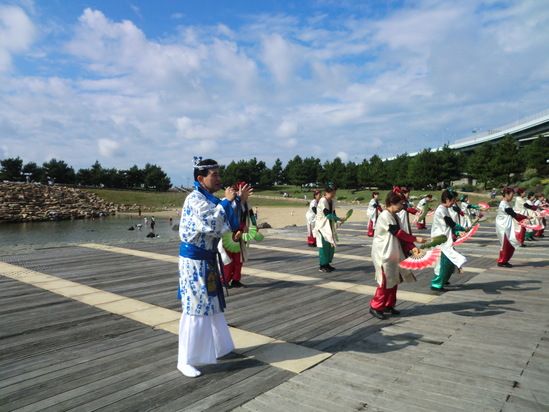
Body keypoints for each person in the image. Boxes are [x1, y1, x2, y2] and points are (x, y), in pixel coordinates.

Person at [177, 157, 251, 378]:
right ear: (201, 178)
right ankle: (186, 359)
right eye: (214, 175)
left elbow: (226, 222)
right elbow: (211, 223)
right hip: (194, 261)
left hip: (206, 259)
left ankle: (221, 347)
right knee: (195, 307)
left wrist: (239, 201)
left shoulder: (209, 199)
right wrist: (229, 202)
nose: (219, 179)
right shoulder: (195, 199)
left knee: (212, 302)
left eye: (219, 174)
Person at [369, 191, 427, 319]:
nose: (402, 206)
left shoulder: (395, 216)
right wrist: (415, 239)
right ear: (391, 203)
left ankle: (389, 305)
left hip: (393, 251)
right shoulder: (385, 216)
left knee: (394, 279)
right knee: (385, 281)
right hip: (384, 253)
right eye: (400, 203)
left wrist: (412, 247)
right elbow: (397, 232)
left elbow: (401, 237)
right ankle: (376, 306)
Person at [219, 181, 257, 288]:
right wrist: (240, 227)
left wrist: (253, 225)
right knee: (228, 259)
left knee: (238, 259)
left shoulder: (244, 204)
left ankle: (235, 279)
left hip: (239, 234)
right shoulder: (227, 202)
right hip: (227, 235)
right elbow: (229, 217)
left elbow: (249, 215)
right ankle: (224, 280)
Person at [430, 189, 468, 292]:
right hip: (441, 241)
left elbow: (447, 226)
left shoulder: (444, 209)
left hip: (445, 240)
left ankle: (443, 280)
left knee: (449, 263)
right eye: (452, 200)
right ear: (447, 199)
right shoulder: (441, 210)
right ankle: (436, 284)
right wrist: (462, 229)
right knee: (443, 263)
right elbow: (451, 223)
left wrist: (457, 232)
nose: (453, 203)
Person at [315, 183, 346, 272]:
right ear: (326, 192)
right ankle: (322, 265)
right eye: (331, 193)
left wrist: (335, 221)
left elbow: (333, 212)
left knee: (330, 245)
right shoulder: (323, 201)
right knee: (324, 246)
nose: (333, 195)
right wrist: (339, 219)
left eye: (334, 193)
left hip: (329, 226)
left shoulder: (332, 201)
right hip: (322, 226)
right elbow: (327, 215)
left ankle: (327, 263)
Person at [496, 187, 529, 267]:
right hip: (503, 227)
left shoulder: (506, 203)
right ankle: (502, 261)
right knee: (506, 244)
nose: (512, 197)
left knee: (509, 245)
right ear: (506, 194)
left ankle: (504, 260)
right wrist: (526, 217)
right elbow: (514, 215)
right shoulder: (504, 204)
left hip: (506, 225)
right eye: (511, 195)